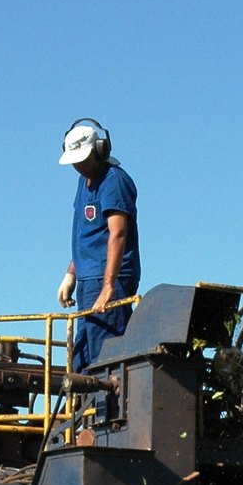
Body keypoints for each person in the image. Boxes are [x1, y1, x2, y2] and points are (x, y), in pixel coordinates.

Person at [56, 118, 140, 372]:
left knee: (105, 359)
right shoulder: (84, 181)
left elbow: (117, 233)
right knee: (81, 360)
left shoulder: (114, 181)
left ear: (99, 150)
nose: (78, 166)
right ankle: (83, 411)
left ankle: (109, 409)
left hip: (108, 279)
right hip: (87, 281)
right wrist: (71, 273)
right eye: (74, 161)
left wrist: (108, 287)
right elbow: (89, 232)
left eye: (82, 159)